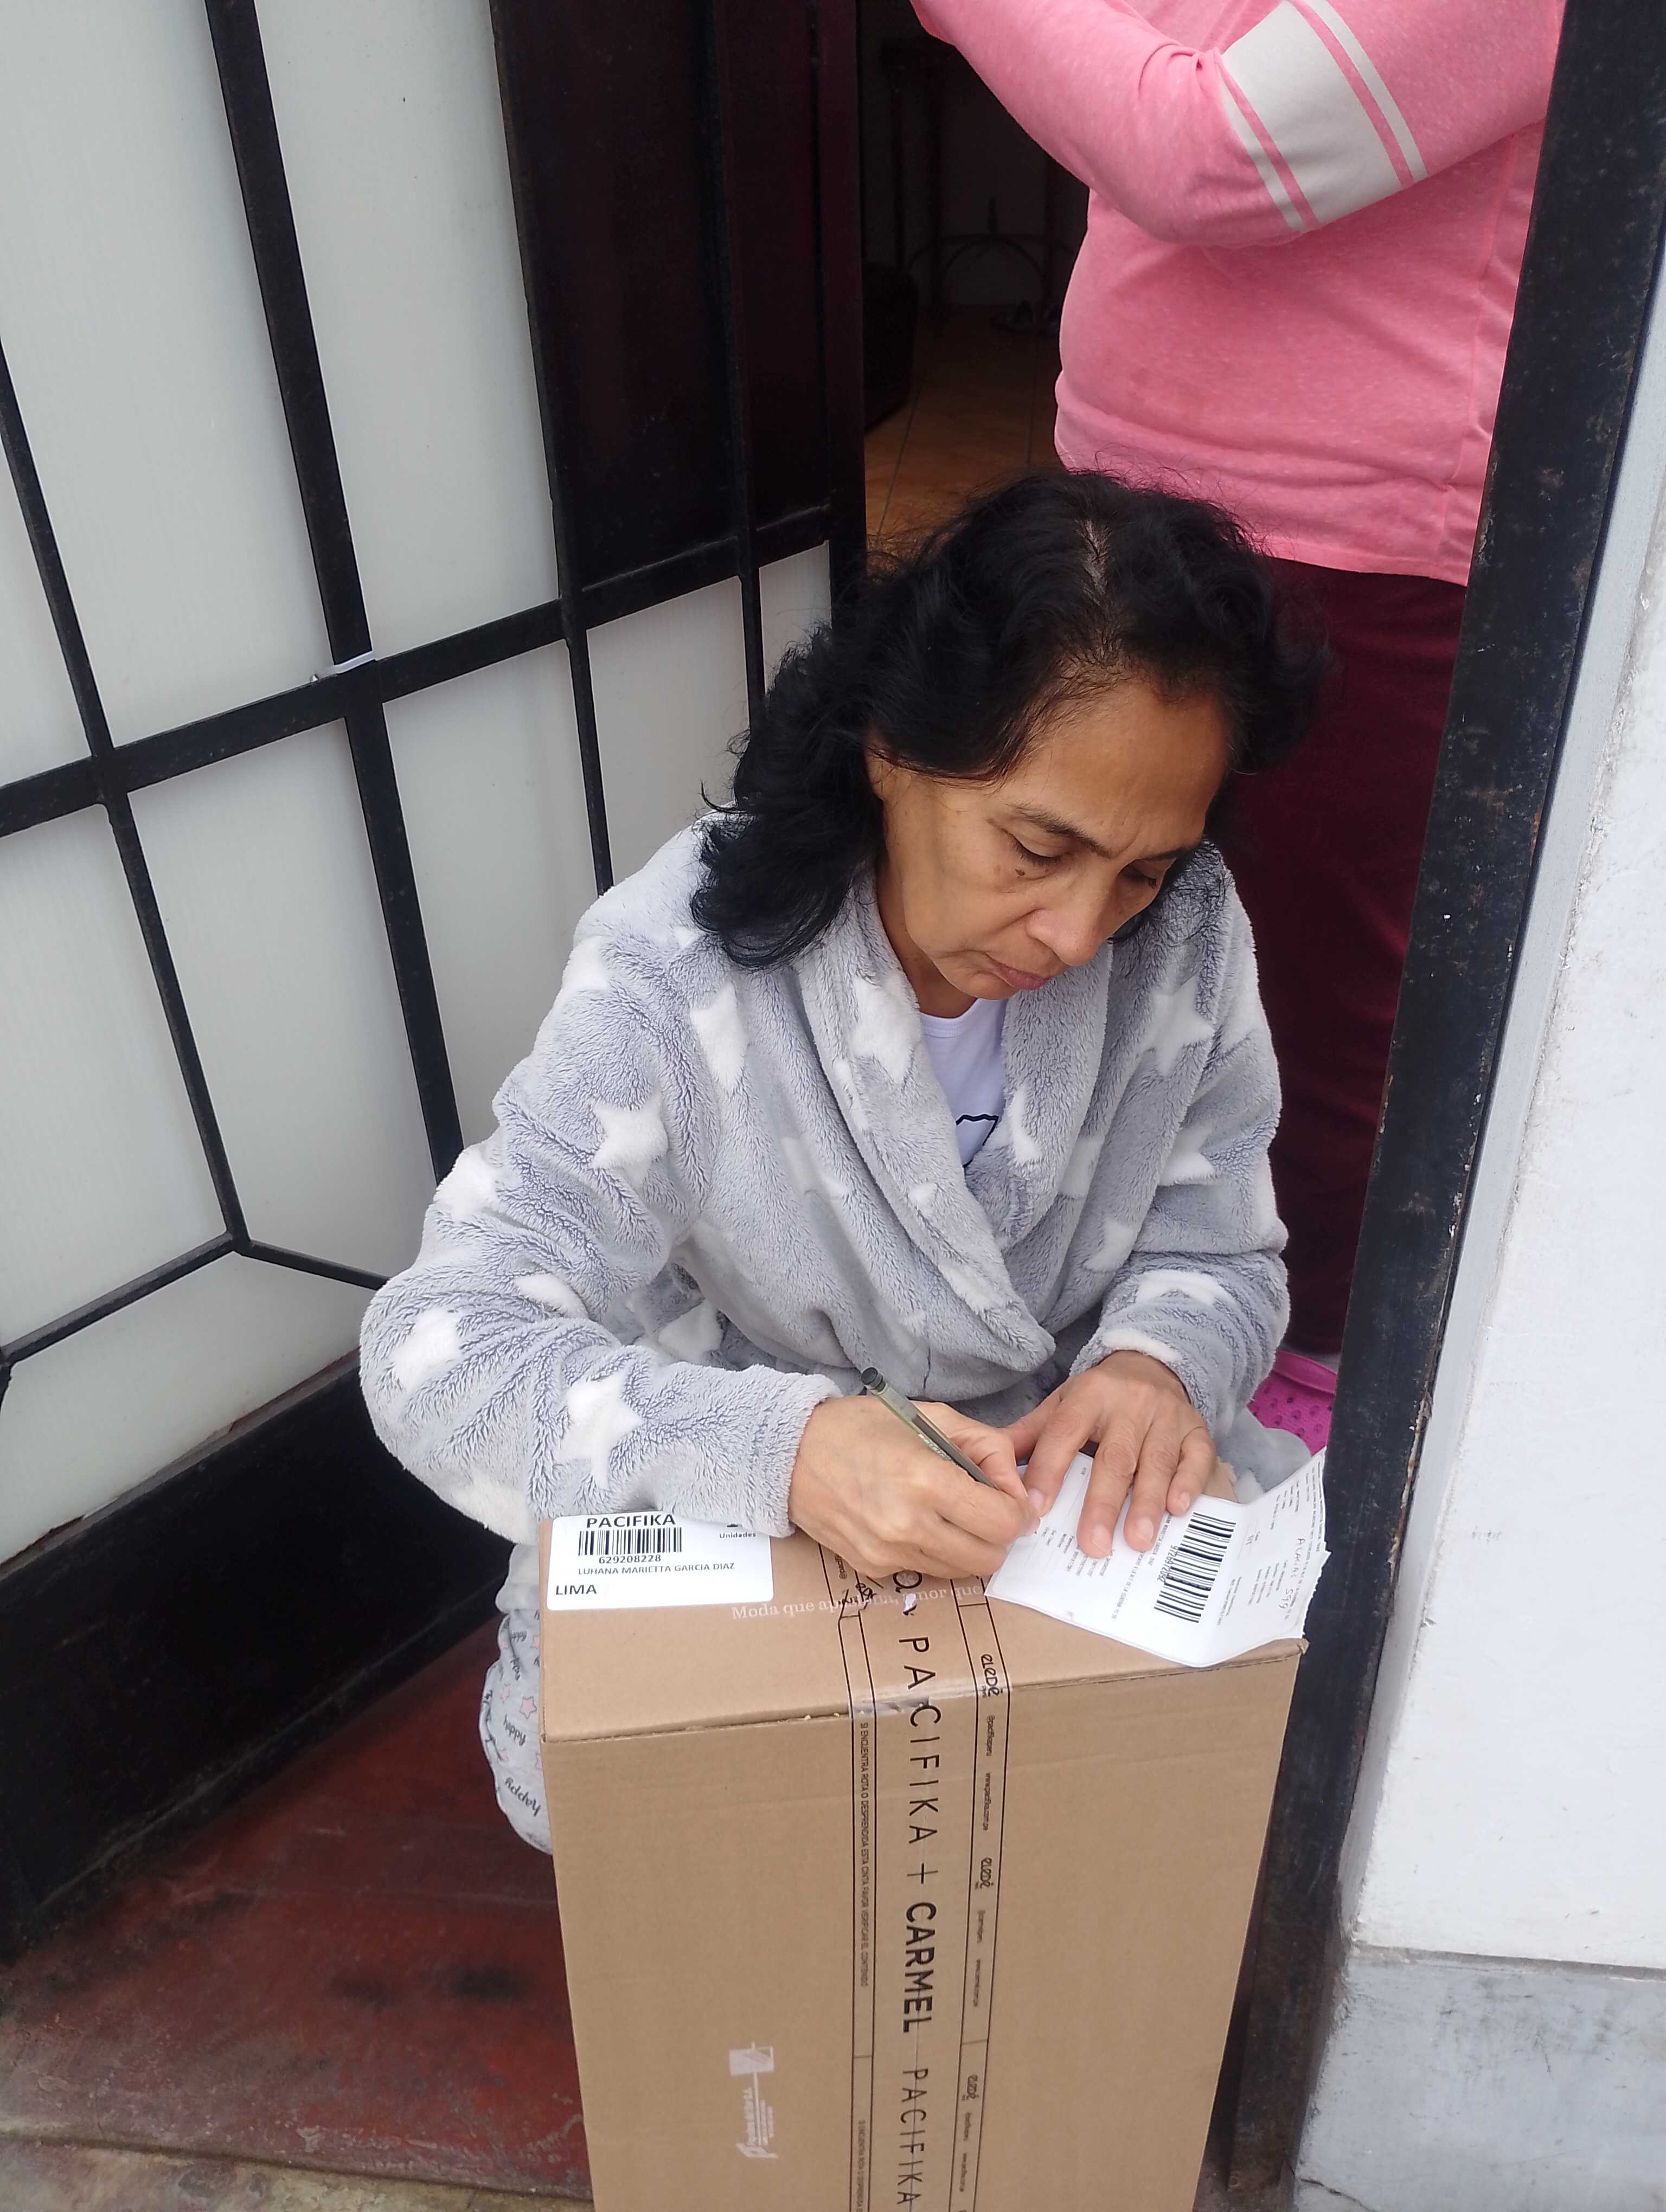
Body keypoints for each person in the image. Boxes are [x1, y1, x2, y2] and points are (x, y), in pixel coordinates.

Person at [360, 472, 1324, 1850]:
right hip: (761, 1475)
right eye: (1035, 847)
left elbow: (1220, 1245)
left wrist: (1153, 1368)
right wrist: (788, 1453)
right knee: (659, 1811)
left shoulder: (1188, 935)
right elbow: (435, 1347)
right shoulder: (681, 977)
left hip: (1052, 1504)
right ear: (892, 747)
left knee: (1251, 1743)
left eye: (1140, 870)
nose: (1077, 933)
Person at [913, 0, 1564, 1442]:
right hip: (1117, 488)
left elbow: (1213, 151)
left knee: (1311, 1008)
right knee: (1085, 954)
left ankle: (1308, 1364)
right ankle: (1123, 1300)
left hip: (1356, 548)